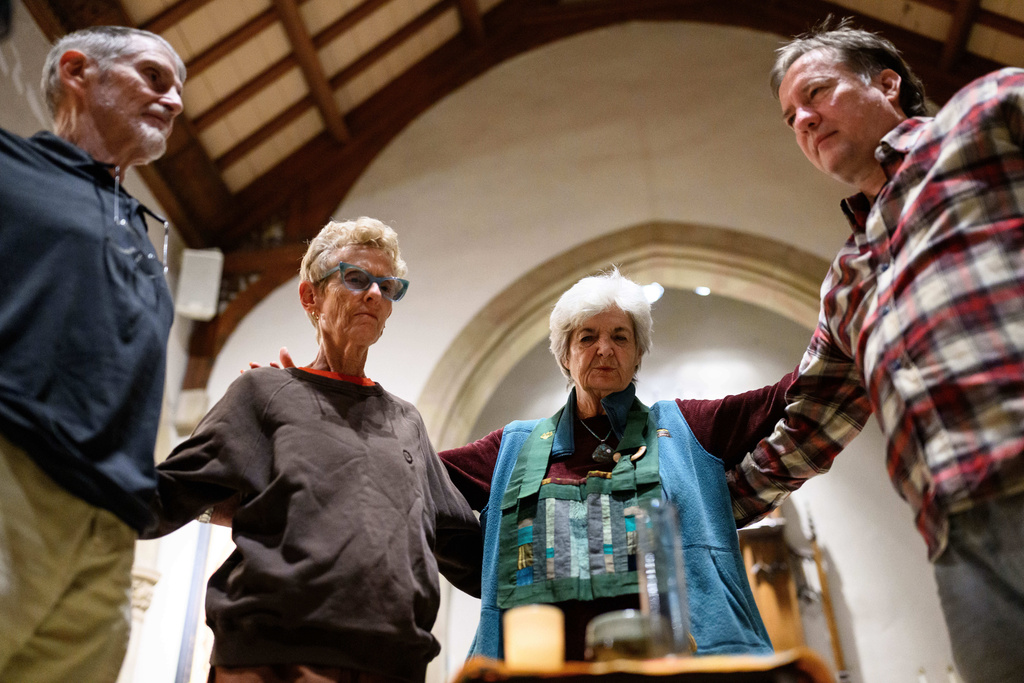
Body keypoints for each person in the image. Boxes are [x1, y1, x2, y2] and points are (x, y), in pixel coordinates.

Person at [726, 18, 1024, 682]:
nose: (803, 119)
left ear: (886, 83)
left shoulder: (982, 117)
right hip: (956, 539)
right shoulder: (847, 279)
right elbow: (804, 429)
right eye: (790, 118)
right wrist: (698, 505)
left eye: (819, 92)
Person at [145, 218, 481, 683]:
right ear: (311, 297)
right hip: (273, 657)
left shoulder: (406, 422)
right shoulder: (262, 392)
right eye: (357, 279)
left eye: (388, 286)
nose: (375, 296)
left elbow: (464, 547)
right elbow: (168, 495)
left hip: (391, 663)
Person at [440, 268, 798, 660]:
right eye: (587, 337)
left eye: (620, 337)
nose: (605, 349)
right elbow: (418, 484)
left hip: (682, 663)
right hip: (546, 669)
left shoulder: (685, 429)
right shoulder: (513, 447)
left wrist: (849, 319)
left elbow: (787, 395)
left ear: (638, 352)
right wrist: (487, 566)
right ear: (565, 353)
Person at [0, 26, 185, 683]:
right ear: (78, 71)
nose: (175, 101)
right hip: (15, 481)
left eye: (180, 90)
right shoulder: (10, 168)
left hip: (111, 531)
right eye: (155, 78)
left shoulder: (142, 231)